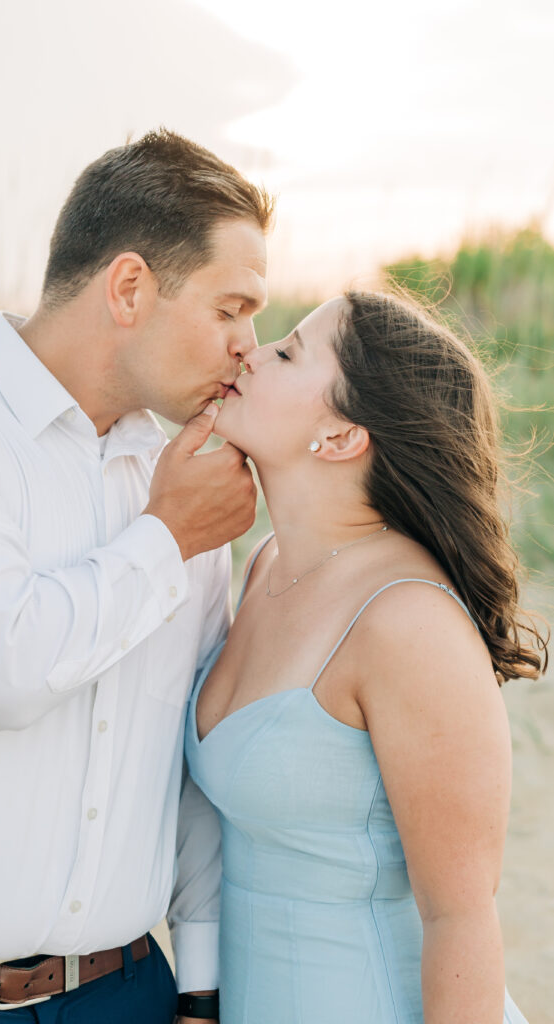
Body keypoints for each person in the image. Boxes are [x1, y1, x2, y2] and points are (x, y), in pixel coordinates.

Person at [0, 129, 273, 1023]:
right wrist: (165, 539)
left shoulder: (180, 482)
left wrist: (200, 985)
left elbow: (190, 755)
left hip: (129, 993)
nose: (249, 346)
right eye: (229, 309)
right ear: (129, 287)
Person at [185, 290, 548, 1023]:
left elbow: (461, 917)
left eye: (287, 351)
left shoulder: (406, 619)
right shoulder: (265, 565)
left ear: (341, 436)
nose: (248, 353)